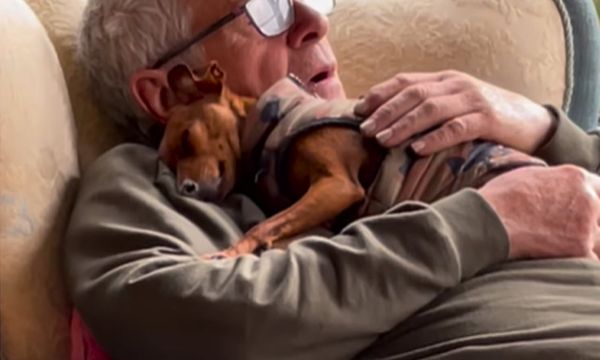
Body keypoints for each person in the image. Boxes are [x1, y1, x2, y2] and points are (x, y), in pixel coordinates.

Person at [66, 0, 600, 359]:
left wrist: (546, 128)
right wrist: (482, 224)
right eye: (266, 8)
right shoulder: (144, 183)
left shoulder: (399, 121)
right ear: (167, 95)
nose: (312, 22)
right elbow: (183, 315)